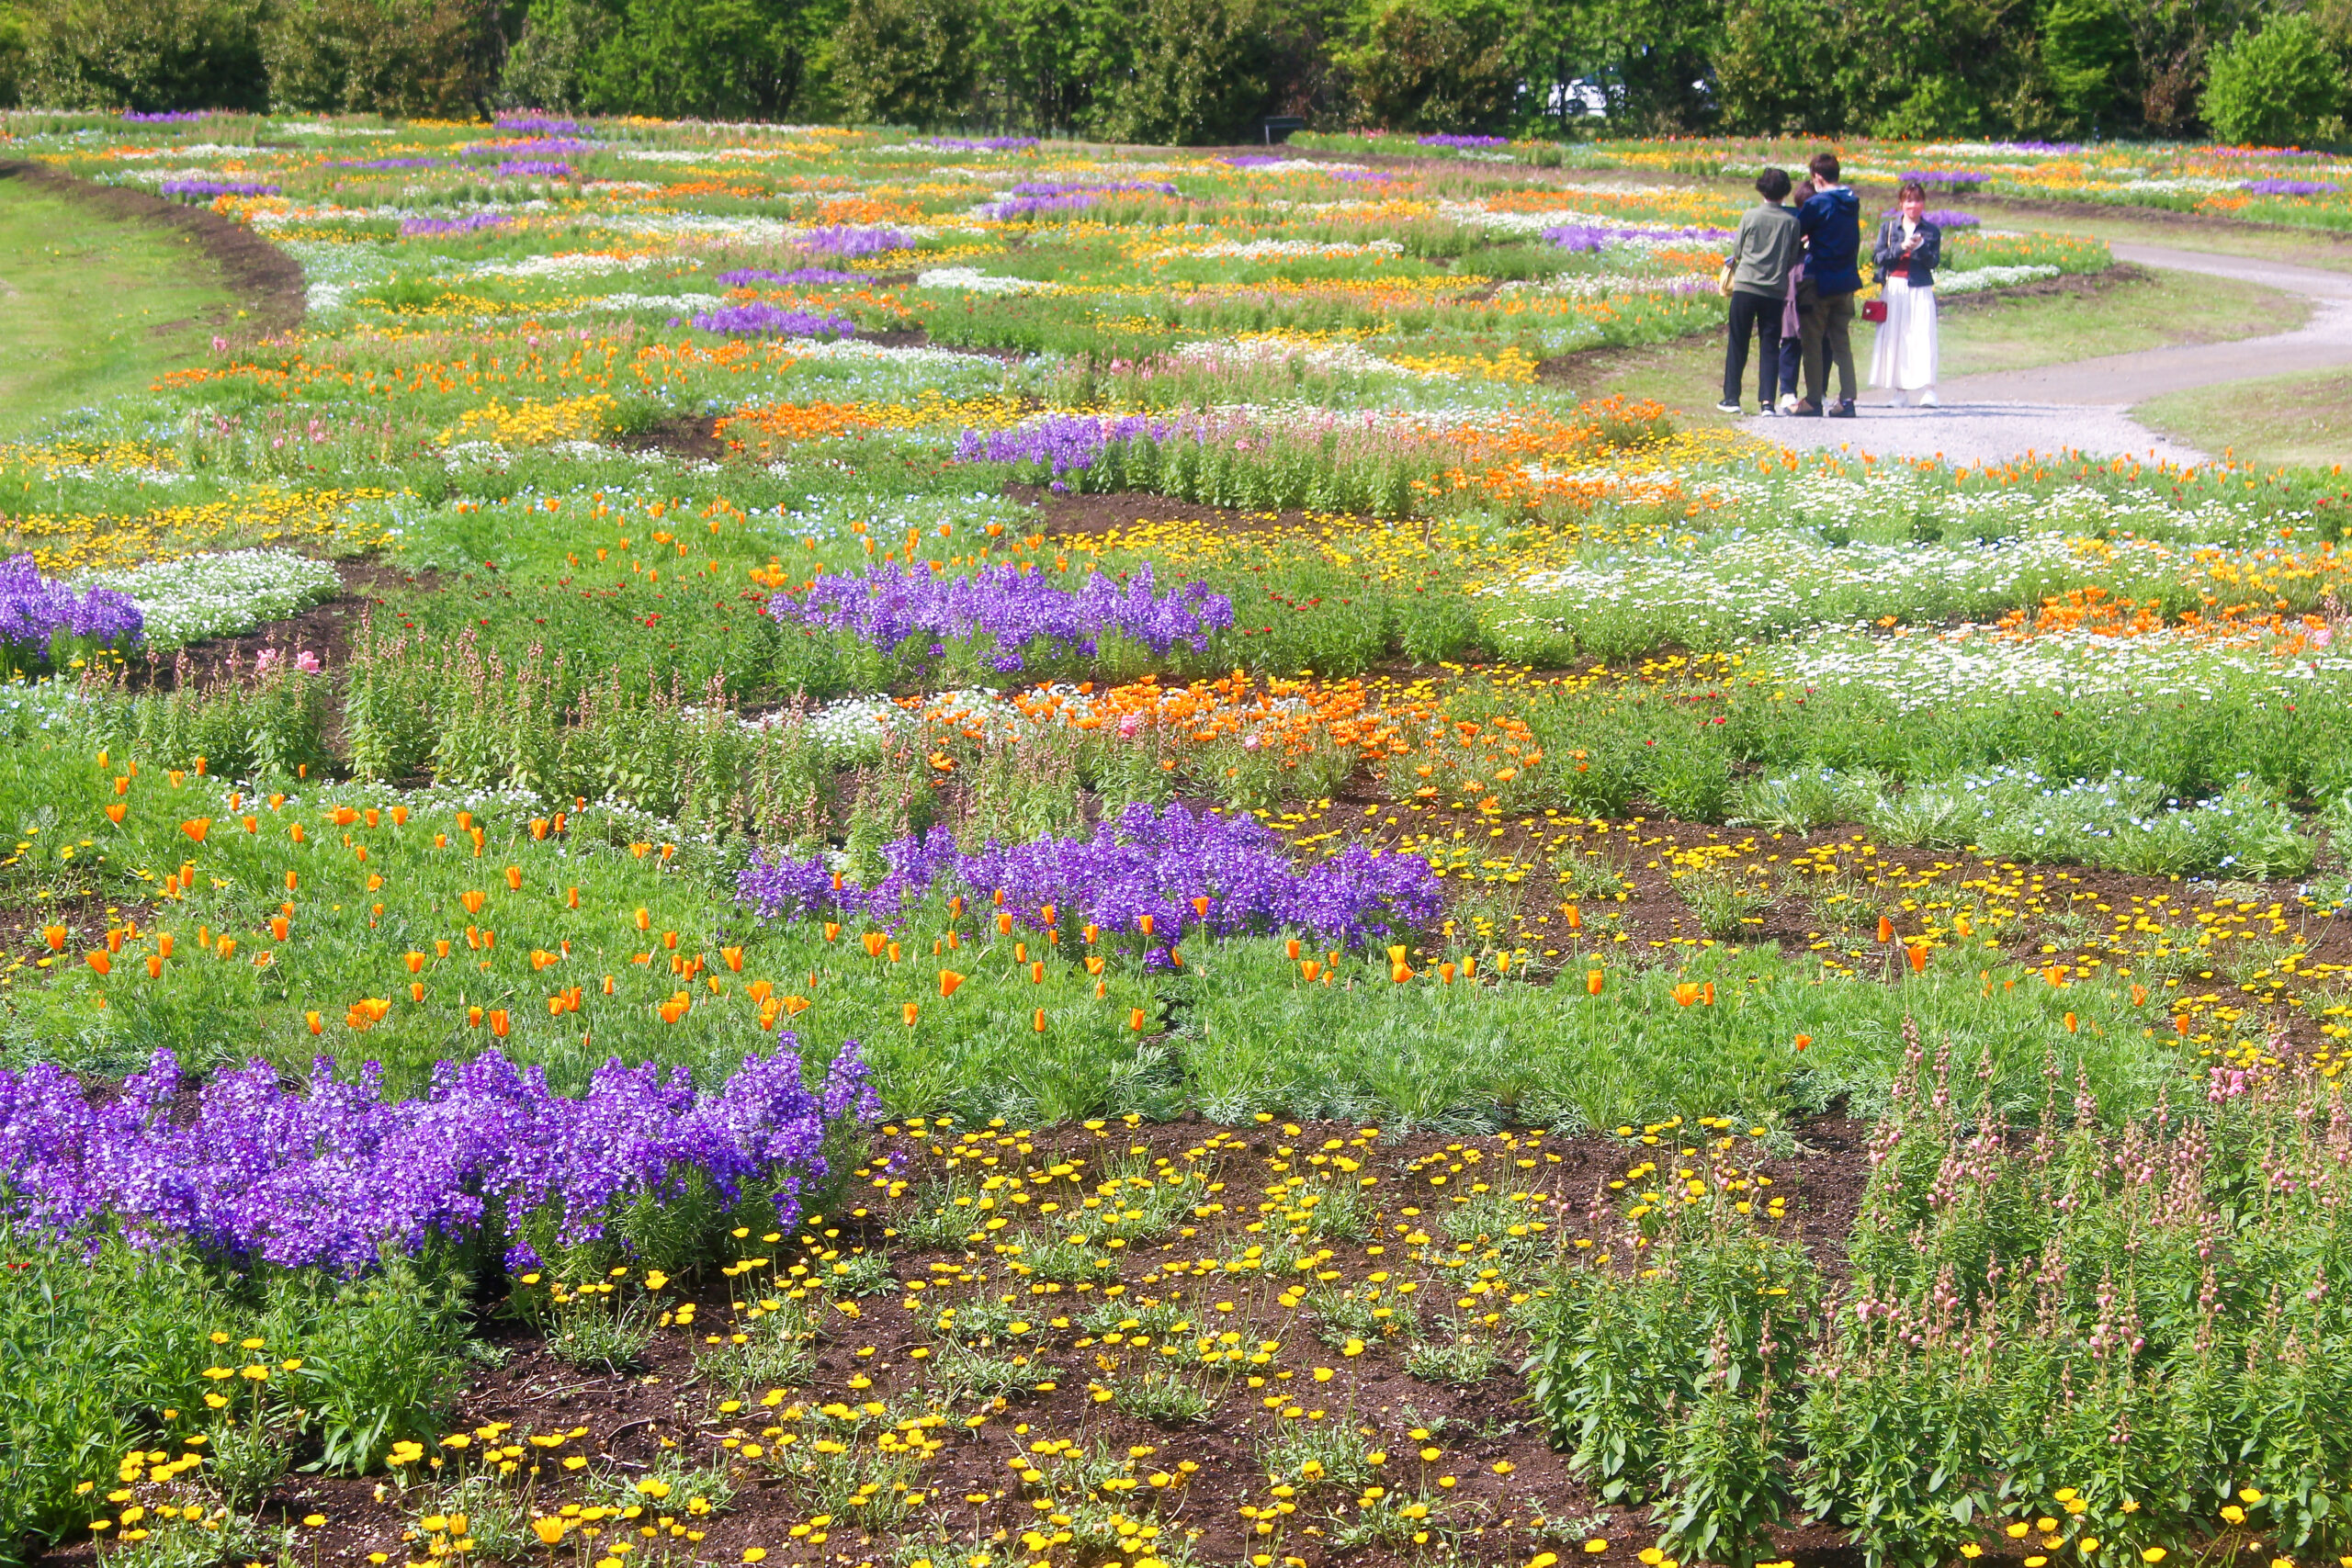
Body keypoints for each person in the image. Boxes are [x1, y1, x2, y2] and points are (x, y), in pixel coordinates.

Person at [1718, 167, 1801, 415]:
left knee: (1738, 342)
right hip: (1775, 289)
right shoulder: (1792, 222)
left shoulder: (1751, 216)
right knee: (1769, 345)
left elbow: (1738, 250)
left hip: (1746, 285)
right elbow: (1793, 256)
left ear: (1761, 189)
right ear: (1785, 192)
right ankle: (1767, 402)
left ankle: (1732, 398)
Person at [1793, 152, 1862, 418]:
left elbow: (1796, 233)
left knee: (1812, 342)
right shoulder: (1852, 201)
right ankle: (1847, 399)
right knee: (1841, 343)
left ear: (1818, 178)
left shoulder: (1817, 203)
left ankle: (1813, 399)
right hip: (1845, 281)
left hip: (1818, 280)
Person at [1869, 179, 1943, 406]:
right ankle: (1899, 392)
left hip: (1919, 287)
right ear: (1901, 203)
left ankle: (1929, 389)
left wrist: (1919, 248)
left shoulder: (1931, 231)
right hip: (1894, 288)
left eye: (1918, 200)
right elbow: (1877, 257)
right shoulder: (1889, 228)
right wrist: (1900, 248)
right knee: (1895, 337)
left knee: (1923, 335)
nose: (1913, 206)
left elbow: (1933, 262)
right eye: (1909, 200)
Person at [1775, 178, 1814, 414]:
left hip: (1814, 282)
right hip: (1793, 282)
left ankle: (1815, 391)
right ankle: (1787, 390)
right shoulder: (1792, 222)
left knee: (1816, 340)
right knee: (1790, 337)